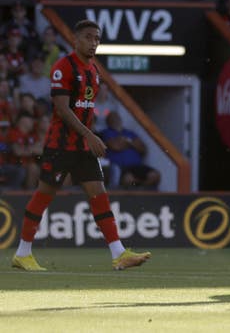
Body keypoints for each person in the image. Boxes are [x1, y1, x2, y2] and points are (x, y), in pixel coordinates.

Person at [12, 20, 151, 272]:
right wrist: (90, 135)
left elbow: (85, 111)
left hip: (83, 146)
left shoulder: (94, 72)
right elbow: (63, 110)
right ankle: (23, 253)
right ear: (75, 39)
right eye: (88, 37)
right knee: (44, 195)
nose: (94, 42)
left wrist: (91, 136)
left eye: (97, 38)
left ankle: (119, 253)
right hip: (60, 145)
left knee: (99, 194)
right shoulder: (62, 67)